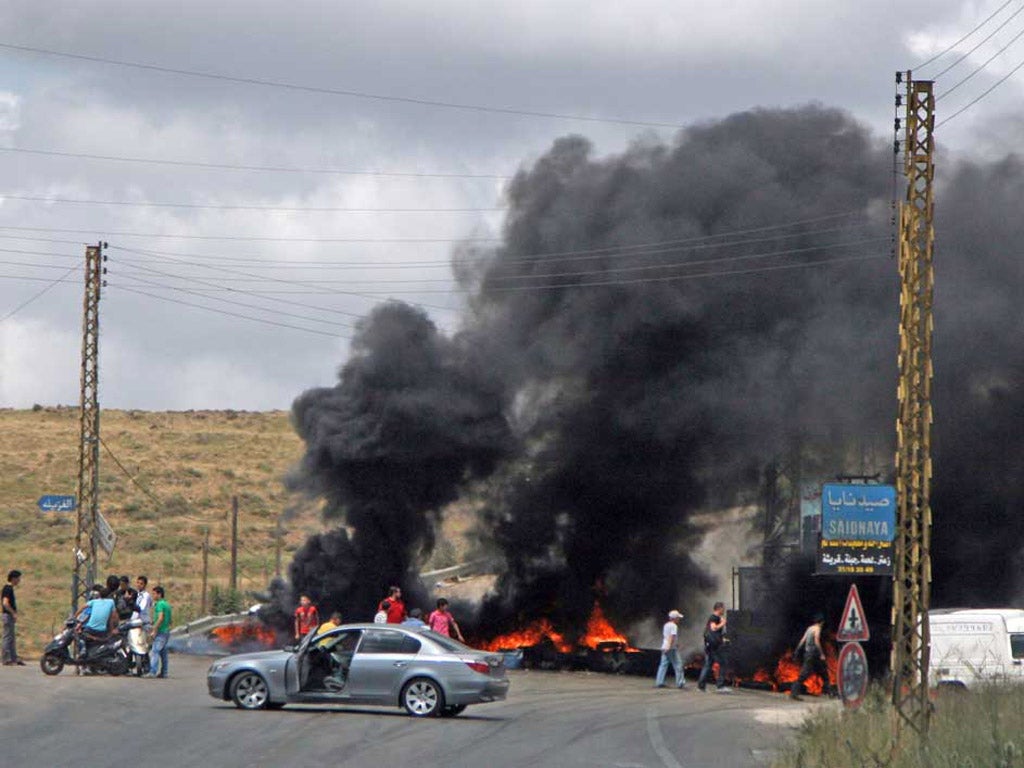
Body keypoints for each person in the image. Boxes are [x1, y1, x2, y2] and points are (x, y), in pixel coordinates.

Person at [791, 613, 830, 700]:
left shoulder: (809, 628)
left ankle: (794, 692)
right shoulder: (817, 629)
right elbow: (816, 641)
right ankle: (828, 692)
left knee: (807, 674)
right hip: (814, 655)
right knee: (824, 674)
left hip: (807, 654)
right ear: (821, 622)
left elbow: (802, 640)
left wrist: (797, 651)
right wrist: (822, 653)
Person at [697, 602, 729, 693]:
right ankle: (720, 686)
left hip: (711, 645)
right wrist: (723, 623)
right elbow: (713, 628)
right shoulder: (714, 617)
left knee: (708, 665)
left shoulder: (715, 617)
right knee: (723, 663)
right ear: (719, 608)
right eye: (723, 608)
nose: (724, 610)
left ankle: (701, 686)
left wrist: (722, 639)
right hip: (714, 646)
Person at [654, 609, 686, 689]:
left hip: (664, 646)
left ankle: (659, 682)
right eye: (678, 618)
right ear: (675, 618)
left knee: (663, 665)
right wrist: (670, 646)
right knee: (678, 664)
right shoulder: (674, 626)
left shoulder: (666, 625)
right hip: (671, 648)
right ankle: (680, 682)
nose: (679, 619)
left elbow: (667, 636)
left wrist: (669, 645)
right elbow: (672, 636)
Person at [147, 586, 172, 678]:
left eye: (154, 593)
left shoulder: (160, 604)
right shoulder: (167, 604)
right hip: (166, 631)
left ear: (159, 594)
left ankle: (152, 671)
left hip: (160, 632)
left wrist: (154, 629)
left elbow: (161, 618)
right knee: (163, 653)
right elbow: (169, 620)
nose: (152, 595)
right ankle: (164, 672)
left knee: (155, 651)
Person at [131, 576, 153, 675]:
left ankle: (147, 666)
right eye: (138, 583)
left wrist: (130, 604)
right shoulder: (136, 594)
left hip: (143, 622)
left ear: (144, 585)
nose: (139, 585)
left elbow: (142, 607)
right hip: (134, 621)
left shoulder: (146, 596)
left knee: (143, 645)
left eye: (141, 583)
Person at [2, 569, 24, 665]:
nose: (19, 580)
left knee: (11, 637)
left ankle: (13, 657)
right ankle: (6, 658)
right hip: (7, 615)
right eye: (18, 578)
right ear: (13, 578)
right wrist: (13, 613)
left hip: (9, 615)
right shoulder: (7, 589)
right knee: (7, 637)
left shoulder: (9, 589)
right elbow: (5, 603)